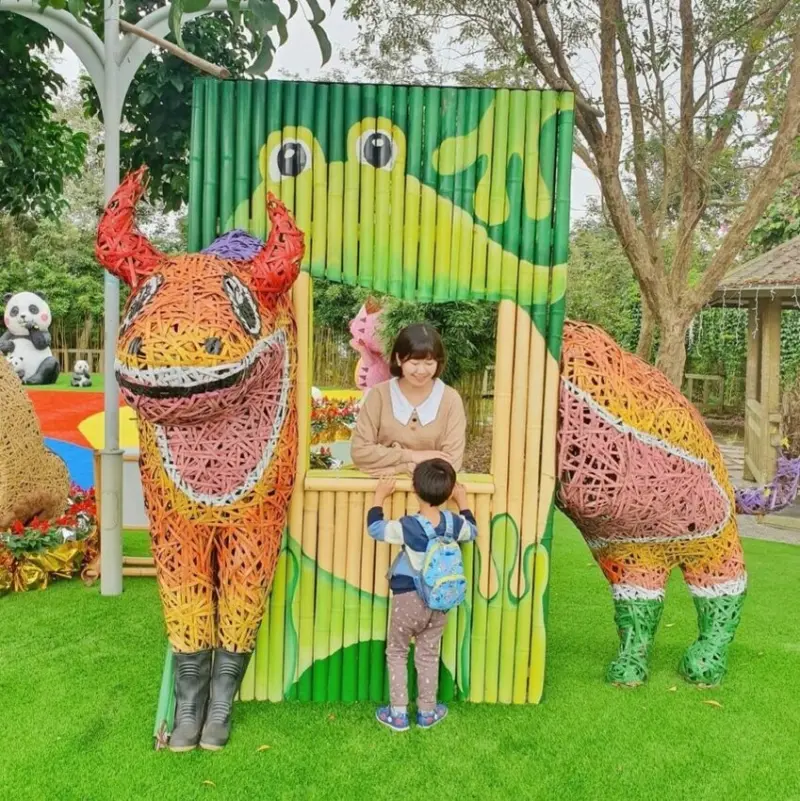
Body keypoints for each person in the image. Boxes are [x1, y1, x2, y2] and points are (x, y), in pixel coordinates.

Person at [367, 459, 479, 731]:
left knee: (397, 651)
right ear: (449, 491)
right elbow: (473, 531)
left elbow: (375, 528)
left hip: (408, 598)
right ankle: (427, 712)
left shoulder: (409, 526)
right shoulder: (454, 523)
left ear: (415, 490)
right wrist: (463, 502)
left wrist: (379, 497)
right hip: (440, 601)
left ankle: (398, 714)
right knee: (428, 654)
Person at [350, 323, 466, 476]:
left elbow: (451, 462)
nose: (421, 370)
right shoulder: (379, 395)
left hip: (432, 489)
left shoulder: (450, 400)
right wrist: (412, 457)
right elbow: (360, 452)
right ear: (399, 359)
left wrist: (399, 467)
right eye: (414, 363)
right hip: (383, 488)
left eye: (429, 363)